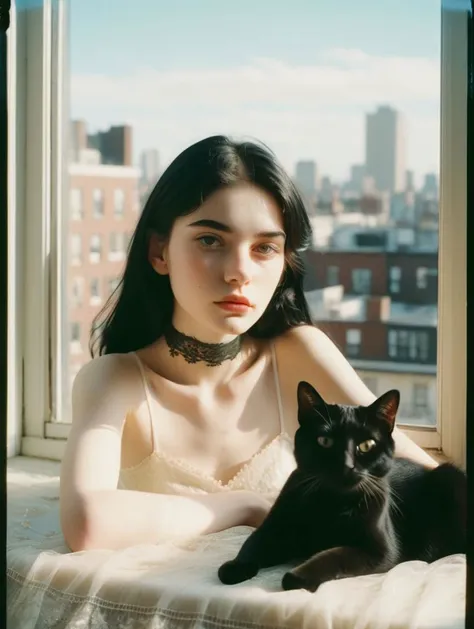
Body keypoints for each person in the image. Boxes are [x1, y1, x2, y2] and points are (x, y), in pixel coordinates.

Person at [59, 135, 437, 553]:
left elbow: (428, 481)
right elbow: (88, 524)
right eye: (210, 240)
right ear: (158, 251)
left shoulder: (298, 353)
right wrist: (248, 506)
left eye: (264, 248)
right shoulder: (115, 379)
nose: (239, 272)